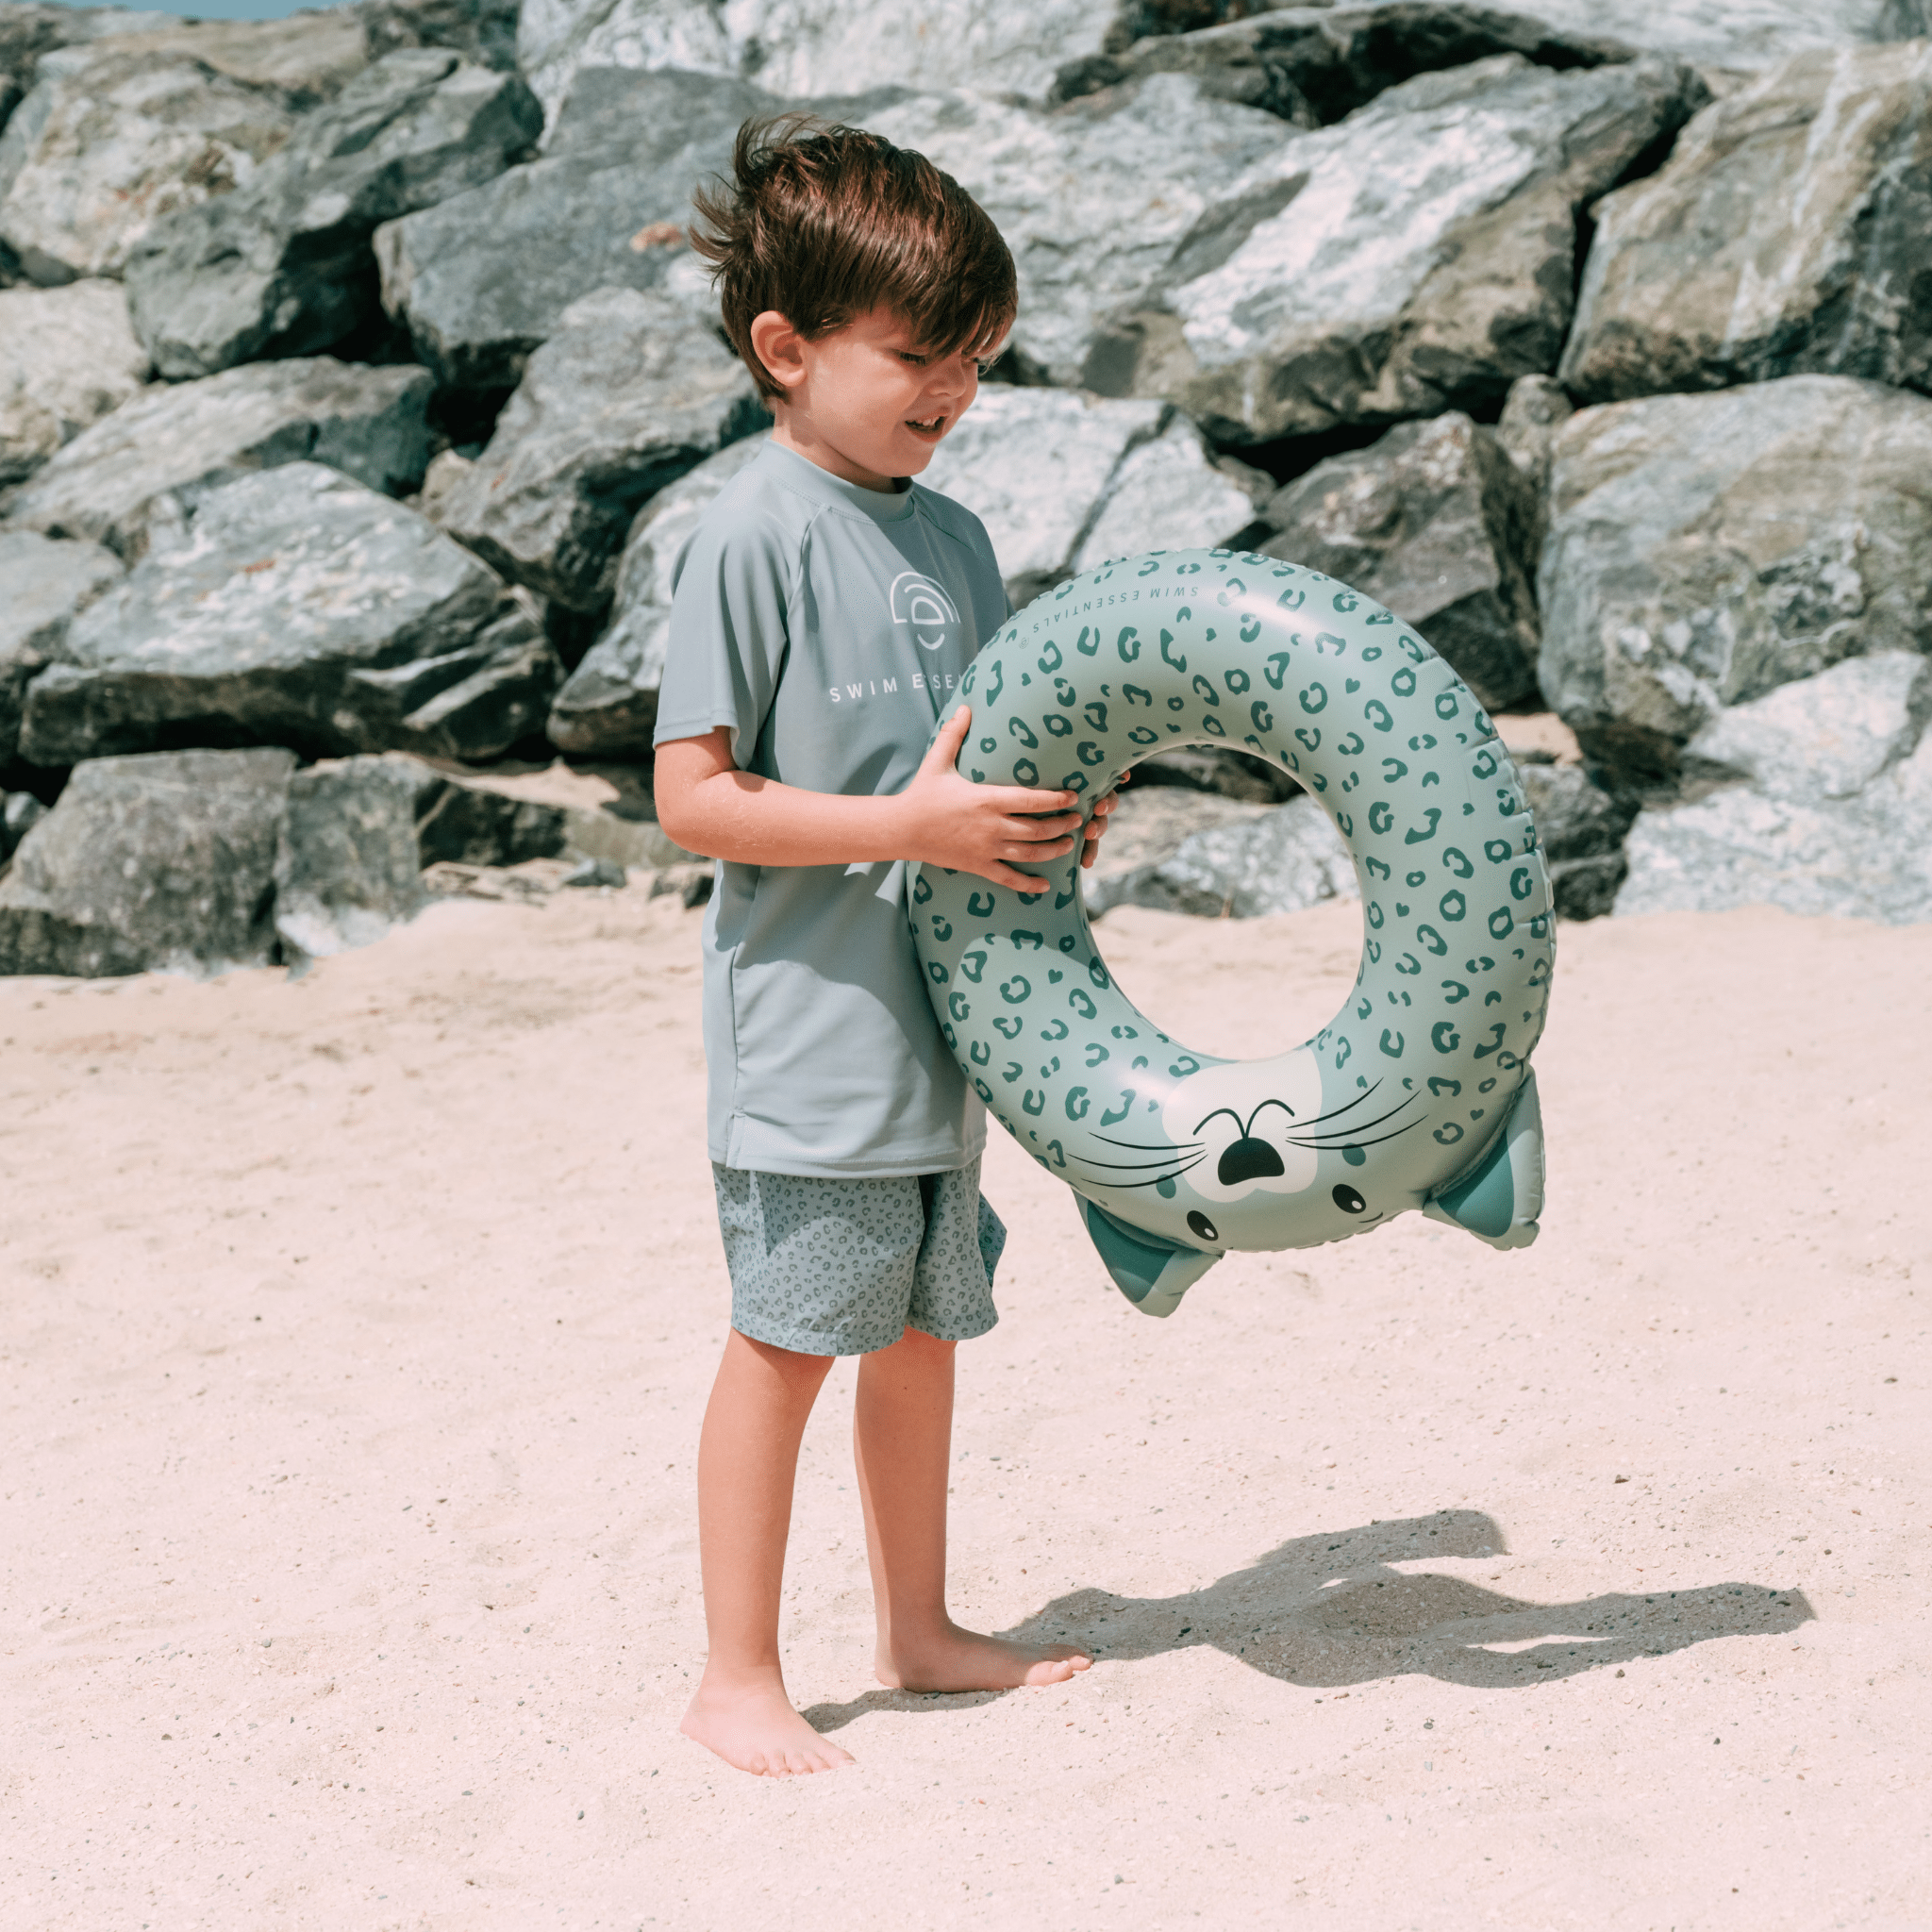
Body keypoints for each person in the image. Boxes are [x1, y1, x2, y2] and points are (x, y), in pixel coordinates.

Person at [652, 114, 1120, 1778]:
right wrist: (907, 830)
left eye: (975, 361)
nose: (951, 392)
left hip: (945, 1034)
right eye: (917, 354)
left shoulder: (956, 540)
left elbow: (976, 769)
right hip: (813, 1037)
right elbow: (695, 802)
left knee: (924, 1340)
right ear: (786, 349)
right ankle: (732, 1675)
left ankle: (918, 1630)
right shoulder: (747, 532)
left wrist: (1037, 825)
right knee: (787, 1344)